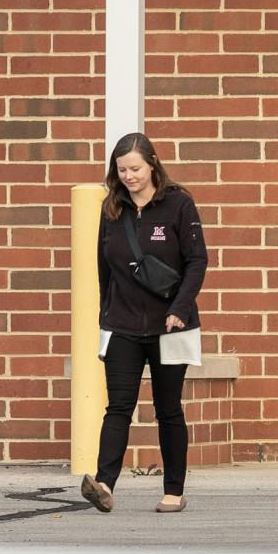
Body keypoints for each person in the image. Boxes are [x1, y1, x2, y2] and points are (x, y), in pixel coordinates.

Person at [81, 132, 207, 514]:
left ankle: (173, 490)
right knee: (118, 406)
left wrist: (180, 309)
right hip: (123, 324)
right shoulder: (111, 209)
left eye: (135, 168)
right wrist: (107, 315)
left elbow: (197, 261)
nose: (129, 176)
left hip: (171, 324)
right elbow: (104, 269)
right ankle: (104, 484)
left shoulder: (178, 205)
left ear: (152, 163)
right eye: (121, 170)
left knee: (168, 408)